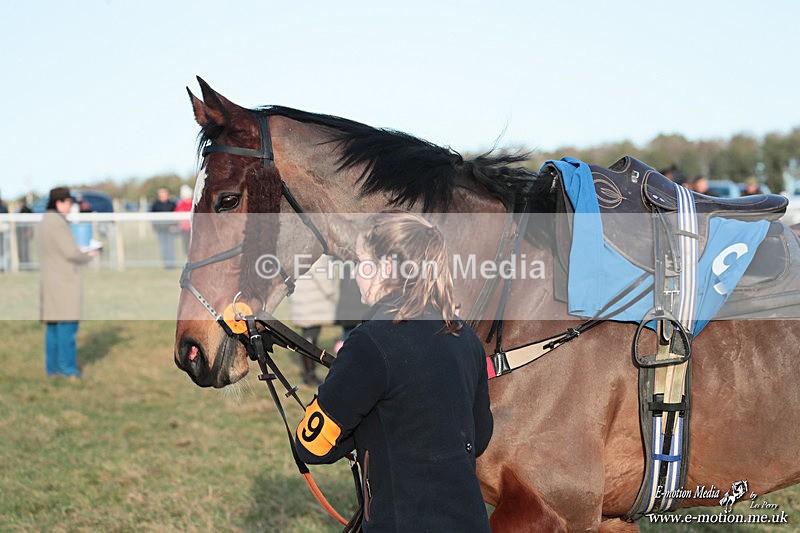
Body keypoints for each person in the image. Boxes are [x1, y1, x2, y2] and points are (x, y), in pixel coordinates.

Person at [294, 211, 493, 532]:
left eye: (360, 263)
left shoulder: (369, 342)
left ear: (386, 269)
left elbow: (312, 446)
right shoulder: (466, 339)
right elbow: (479, 436)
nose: (355, 273)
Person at [37, 187, 96, 378]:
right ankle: (68, 369)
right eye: (68, 203)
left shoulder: (45, 221)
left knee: (53, 329)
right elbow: (71, 253)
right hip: (64, 282)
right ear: (59, 202)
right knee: (67, 329)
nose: (71, 206)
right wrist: (88, 254)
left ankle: (52, 369)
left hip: (50, 280)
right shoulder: (58, 223)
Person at [289, 255, 336, 385]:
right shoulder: (316, 251)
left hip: (303, 296)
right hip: (311, 299)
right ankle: (310, 375)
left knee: (309, 336)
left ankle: (310, 372)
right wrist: (330, 292)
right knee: (310, 338)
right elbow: (319, 271)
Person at [150, 187, 177, 268]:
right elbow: (152, 218)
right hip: (160, 230)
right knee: (163, 247)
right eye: (161, 193)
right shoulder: (155, 205)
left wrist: (175, 226)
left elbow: (176, 216)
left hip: (170, 230)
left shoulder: (172, 204)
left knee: (171, 247)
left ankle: (171, 264)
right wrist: (155, 227)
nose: (163, 195)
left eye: (164, 193)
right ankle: (165, 264)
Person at [173, 184, 193, 254]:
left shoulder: (194, 204)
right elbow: (177, 217)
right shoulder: (180, 205)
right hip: (184, 230)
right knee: (186, 247)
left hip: (194, 229)